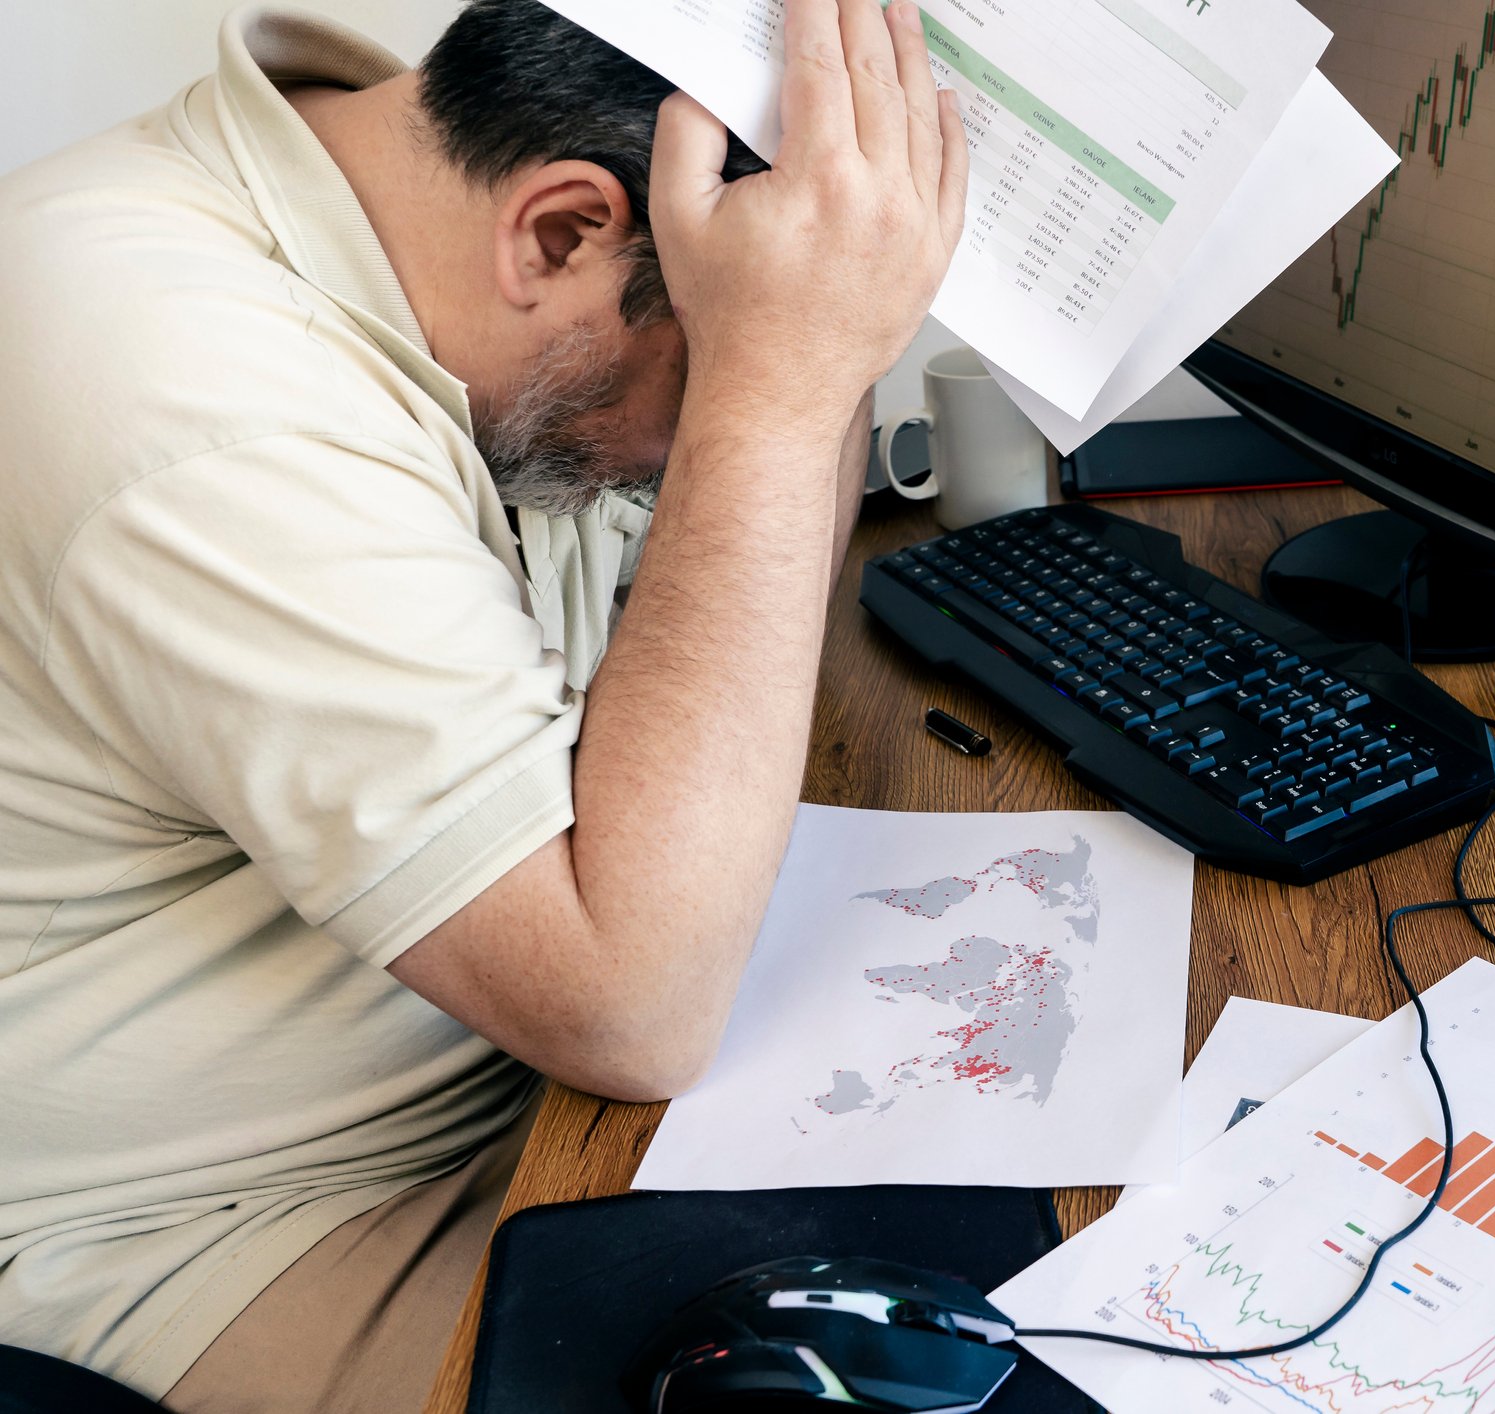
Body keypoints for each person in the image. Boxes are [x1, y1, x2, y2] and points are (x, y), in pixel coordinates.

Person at [0, 0, 967, 1407]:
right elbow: (629, 1008)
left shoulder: (421, 217)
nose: (684, 456)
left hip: (496, 1079)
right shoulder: (196, 404)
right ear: (563, 234)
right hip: (217, 1219)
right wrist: (776, 385)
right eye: (706, 370)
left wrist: (807, 338)